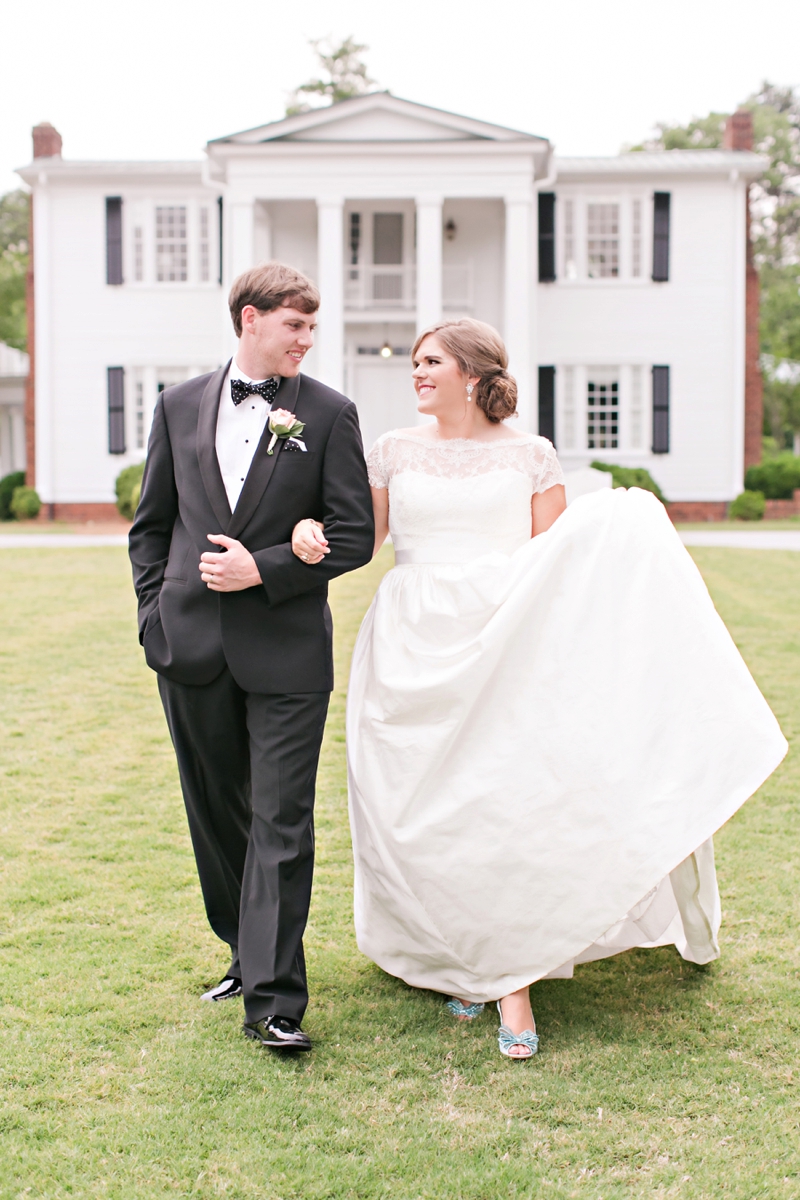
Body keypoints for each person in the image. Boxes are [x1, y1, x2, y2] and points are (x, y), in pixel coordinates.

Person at [291, 318, 787, 1061]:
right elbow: (361, 539)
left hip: (503, 637)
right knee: (417, 806)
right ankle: (463, 955)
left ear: (471, 372)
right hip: (411, 640)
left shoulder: (531, 454)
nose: (417, 373)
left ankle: (511, 978)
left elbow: (553, 563)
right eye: (417, 362)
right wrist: (306, 530)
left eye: (431, 362)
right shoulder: (392, 449)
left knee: (498, 800)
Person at [129, 262, 374, 1053]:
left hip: (287, 651)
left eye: (312, 325)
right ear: (249, 320)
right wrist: (153, 618)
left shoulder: (330, 414)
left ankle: (275, 1001)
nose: (309, 338)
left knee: (281, 819)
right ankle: (244, 950)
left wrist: (263, 569)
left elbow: (355, 534)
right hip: (189, 643)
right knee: (216, 815)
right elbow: (151, 524)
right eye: (295, 324)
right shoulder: (177, 405)